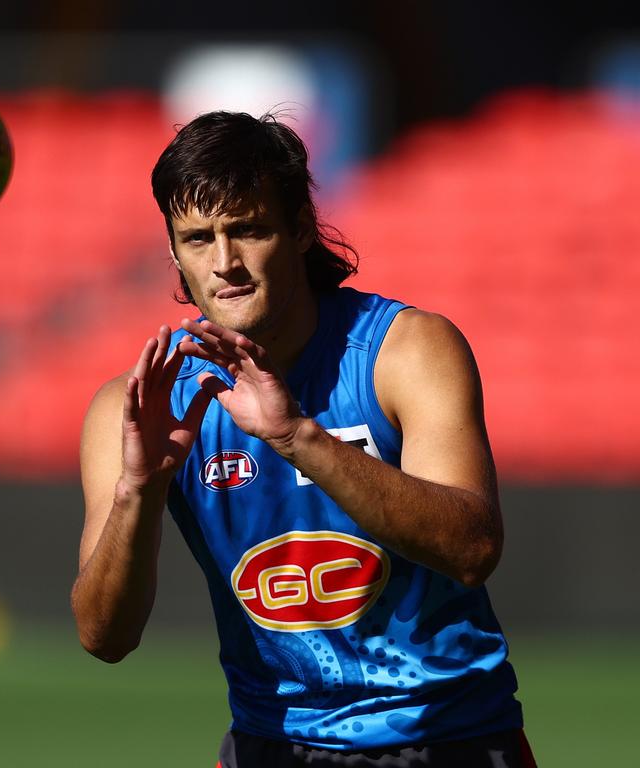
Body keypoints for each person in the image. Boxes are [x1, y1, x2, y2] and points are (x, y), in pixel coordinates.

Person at [71, 111, 535, 767]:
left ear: (300, 229)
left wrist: (298, 438)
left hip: (449, 737)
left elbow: (473, 547)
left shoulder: (404, 352)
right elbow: (103, 635)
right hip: (274, 744)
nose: (225, 262)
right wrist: (137, 489)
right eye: (198, 239)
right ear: (173, 254)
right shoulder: (135, 406)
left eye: (249, 230)